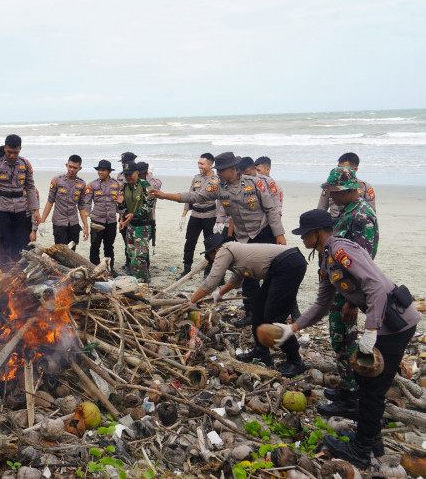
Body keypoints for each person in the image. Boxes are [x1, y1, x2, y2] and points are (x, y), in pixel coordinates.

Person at [273, 209, 419, 469]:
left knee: (372, 388)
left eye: (305, 234)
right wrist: (292, 328)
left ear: (317, 232)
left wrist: (371, 331)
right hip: (385, 324)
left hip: (395, 324)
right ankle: (370, 439)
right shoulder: (328, 258)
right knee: (365, 381)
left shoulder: (341, 250)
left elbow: (374, 284)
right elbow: (321, 304)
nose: (302, 239)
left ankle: (362, 450)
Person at [151, 151, 286, 327]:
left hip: (264, 231)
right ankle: (251, 314)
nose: (219, 173)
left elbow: (270, 209)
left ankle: (281, 312)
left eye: (221, 170)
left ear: (232, 169)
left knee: (274, 274)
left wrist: (279, 234)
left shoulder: (255, 182)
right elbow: (196, 196)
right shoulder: (220, 187)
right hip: (244, 237)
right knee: (248, 279)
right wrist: (164, 195)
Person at [188, 233, 307, 376]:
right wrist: (220, 294)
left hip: (288, 263)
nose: (212, 260)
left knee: (274, 316)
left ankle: (295, 360)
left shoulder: (224, 250)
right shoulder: (235, 251)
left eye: (210, 256)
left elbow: (211, 282)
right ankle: (262, 352)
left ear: (214, 251)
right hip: (281, 266)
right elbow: (236, 280)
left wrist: (191, 301)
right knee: (258, 307)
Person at [315, 167, 379, 420]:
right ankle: (345, 389)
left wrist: (353, 302)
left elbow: (364, 263)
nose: (330, 196)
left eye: (334, 192)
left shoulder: (361, 216)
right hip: (341, 287)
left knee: (345, 342)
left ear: (348, 190)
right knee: (339, 341)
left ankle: (350, 400)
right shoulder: (348, 211)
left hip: (350, 293)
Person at [0, 135, 39, 271]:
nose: (12, 155)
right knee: (4, 241)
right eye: (9, 152)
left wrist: (35, 210)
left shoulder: (25, 164)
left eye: (15, 152)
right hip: (1, 209)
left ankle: (18, 272)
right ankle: (5, 271)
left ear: (20, 149)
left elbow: (30, 187)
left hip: (20, 210)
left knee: (20, 242)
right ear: (5, 148)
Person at [179, 153, 218, 278]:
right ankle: (187, 269)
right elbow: (189, 196)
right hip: (195, 215)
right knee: (189, 242)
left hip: (210, 216)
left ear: (210, 165)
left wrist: (220, 220)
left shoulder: (217, 180)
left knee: (210, 244)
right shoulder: (196, 178)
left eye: (202, 164)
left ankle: (208, 270)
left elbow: (222, 201)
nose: (199, 166)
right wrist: (183, 215)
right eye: (198, 163)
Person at [115, 161, 154, 282]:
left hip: (143, 227)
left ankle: (143, 282)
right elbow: (122, 207)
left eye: (130, 174)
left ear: (137, 173)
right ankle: (139, 279)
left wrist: (134, 214)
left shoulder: (145, 186)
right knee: (131, 255)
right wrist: (120, 204)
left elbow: (149, 206)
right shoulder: (125, 186)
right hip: (130, 226)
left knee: (140, 256)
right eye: (126, 175)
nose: (128, 177)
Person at [39, 155, 89, 248]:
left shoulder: (82, 184)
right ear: (66, 165)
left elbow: (82, 206)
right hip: (59, 223)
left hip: (74, 224)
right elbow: (50, 201)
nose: (72, 170)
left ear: (80, 168)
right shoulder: (57, 180)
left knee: (72, 253)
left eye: (75, 168)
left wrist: (85, 226)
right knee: (60, 253)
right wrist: (42, 222)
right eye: (70, 166)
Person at [83, 160, 120, 267]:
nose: (100, 172)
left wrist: (121, 217)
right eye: (99, 170)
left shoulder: (117, 184)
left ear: (109, 171)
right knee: (94, 246)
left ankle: (109, 269)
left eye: (103, 170)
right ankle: (94, 268)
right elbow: (87, 203)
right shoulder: (92, 185)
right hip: (96, 221)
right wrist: (86, 220)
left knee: (109, 246)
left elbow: (121, 204)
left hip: (111, 221)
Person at [318, 152, 376, 218]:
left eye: (344, 168)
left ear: (355, 169)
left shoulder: (365, 187)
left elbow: (371, 213)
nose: (339, 170)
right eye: (338, 167)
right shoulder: (331, 185)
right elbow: (321, 209)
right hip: (334, 224)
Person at [116, 152, 137, 273]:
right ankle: (128, 263)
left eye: (126, 162)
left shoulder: (138, 174)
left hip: (137, 214)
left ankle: (137, 264)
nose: (124, 165)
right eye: (123, 163)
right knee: (126, 240)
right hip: (124, 212)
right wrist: (121, 217)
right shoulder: (120, 175)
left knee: (138, 243)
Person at [137, 162, 161, 257]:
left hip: (148, 217)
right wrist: (150, 175)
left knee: (143, 245)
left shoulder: (150, 183)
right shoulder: (153, 181)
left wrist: (148, 175)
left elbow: (157, 185)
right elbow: (158, 183)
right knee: (142, 246)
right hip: (142, 217)